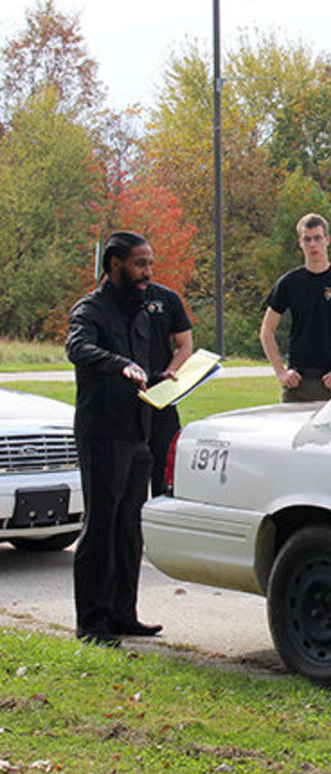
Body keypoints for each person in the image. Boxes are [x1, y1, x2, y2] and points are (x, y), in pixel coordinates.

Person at [65, 231, 165, 646]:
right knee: (101, 527)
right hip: (103, 434)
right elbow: (77, 348)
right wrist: (118, 363)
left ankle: (124, 613)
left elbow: (141, 369)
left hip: (138, 432)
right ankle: (92, 622)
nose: (148, 273)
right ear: (114, 265)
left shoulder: (140, 310)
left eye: (150, 264)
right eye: (140, 264)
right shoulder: (90, 309)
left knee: (128, 528)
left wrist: (164, 379)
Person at [259, 213, 331, 402]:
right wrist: (281, 373)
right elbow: (266, 331)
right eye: (307, 239)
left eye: (317, 238)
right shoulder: (289, 283)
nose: (312, 244)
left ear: (327, 240)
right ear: (300, 242)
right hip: (297, 385)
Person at [143, 279, 194, 496]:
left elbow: (185, 345)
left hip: (161, 394)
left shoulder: (167, 298)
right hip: (125, 394)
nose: (146, 270)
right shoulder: (109, 302)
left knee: (164, 463)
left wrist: (170, 372)